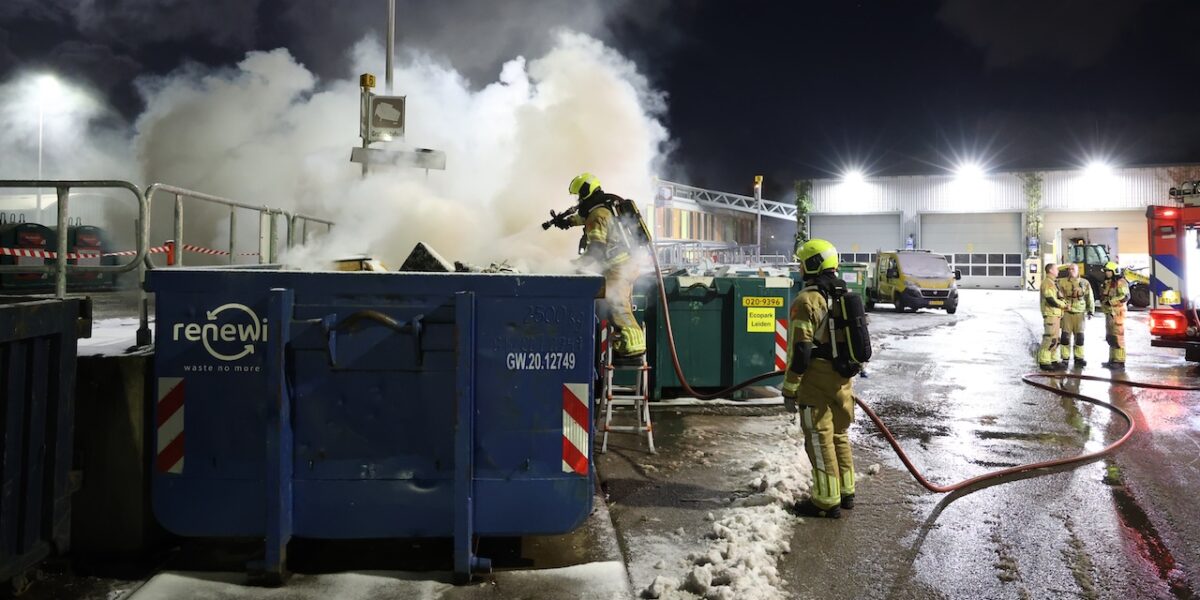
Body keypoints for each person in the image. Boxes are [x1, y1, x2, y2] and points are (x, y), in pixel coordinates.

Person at [782, 239, 855, 519]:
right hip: (843, 379)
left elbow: (801, 351)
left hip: (816, 381)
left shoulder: (807, 300)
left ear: (814, 264)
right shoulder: (843, 294)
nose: (799, 268)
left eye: (802, 263)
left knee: (819, 438)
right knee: (839, 435)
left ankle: (826, 500)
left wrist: (790, 387)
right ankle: (846, 492)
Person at [558, 172, 645, 358]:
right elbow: (586, 218)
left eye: (579, 195)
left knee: (617, 305)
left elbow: (596, 249)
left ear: (586, 192)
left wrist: (575, 265)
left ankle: (635, 346)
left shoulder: (597, 215)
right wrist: (566, 222)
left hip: (619, 268)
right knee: (620, 303)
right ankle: (626, 342)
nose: (578, 200)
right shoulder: (604, 207)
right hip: (627, 264)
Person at [1056, 263, 1094, 366]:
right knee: (1065, 337)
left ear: (1078, 270)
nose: (1070, 271)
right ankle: (1065, 358)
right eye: (1069, 269)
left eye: (1073, 269)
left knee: (1080, 337)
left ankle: (1079, 358)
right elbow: (1057, 296)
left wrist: (1091, 311)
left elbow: (1089, 297)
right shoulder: (1062, 282)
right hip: (1067, 313)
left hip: (1080, 313)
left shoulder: (1084, 283)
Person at [1099, 261, 1129, 369]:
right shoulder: (1108, 282)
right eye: (1106, 271)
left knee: (1117, 337)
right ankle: (1112, 360)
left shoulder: (1121, 282)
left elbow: (1125, 297)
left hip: (1117, 314)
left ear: (1114, 271)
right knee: (1111, 337)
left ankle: (1119, 361)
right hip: (1109, 313)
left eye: (1108, 271)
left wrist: (1111, 302)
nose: (1106, 273)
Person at [1039, 263, 1066, 371]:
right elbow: (1051, 299)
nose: (1058, 271)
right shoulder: (1047, 283)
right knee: (1049, 338)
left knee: (1056, 339)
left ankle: (1053, 359)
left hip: (1056, 314)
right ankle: (1044, 361)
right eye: (1056, 269)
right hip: (1050, 314)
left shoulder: (1053, 283)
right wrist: (1063, 305)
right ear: (1050, 270)